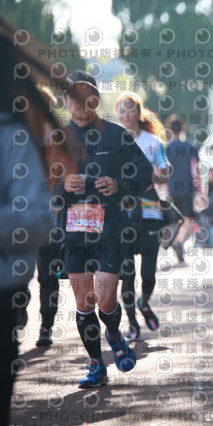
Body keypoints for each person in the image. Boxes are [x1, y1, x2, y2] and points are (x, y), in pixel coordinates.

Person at [0, 17, 76, 421]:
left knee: (49, 277)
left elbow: (38, 215)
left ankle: (43, 323)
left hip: (62, 224)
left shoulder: (14, 137)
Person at [59, 70, 153, 387]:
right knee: (83, 302)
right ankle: (96, 364)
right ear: (65, 101)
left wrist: (119, 184)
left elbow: (145, 173)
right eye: (73, 95)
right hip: (73, 232)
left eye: (86, 95)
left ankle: (113, 333)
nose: (80, 102)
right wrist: (62, 186)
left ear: (96, 100)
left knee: (104, 298)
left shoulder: (117, 135)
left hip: (109, 229)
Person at [115, 92, 170, 341]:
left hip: (149, 209)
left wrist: (162, 173)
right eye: (122, 111)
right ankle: (132, 324)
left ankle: (144, 302)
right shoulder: (113, 139)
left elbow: (163, 167)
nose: (126, 116)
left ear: (138, 113)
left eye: (130, 111)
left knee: (148, 272)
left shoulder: (152, 141)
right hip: (123, 212)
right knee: (126, 274)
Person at [164, 114, 203, 261]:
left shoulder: (167, 148)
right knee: (191, 219)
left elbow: (163, 171)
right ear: (183, 128)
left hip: (172, 190)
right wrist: (201, 189)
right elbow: (196, 169)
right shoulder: (190, 146)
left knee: (175, 220)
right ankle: (180, 242)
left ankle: (176, 242)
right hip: (187, 189)